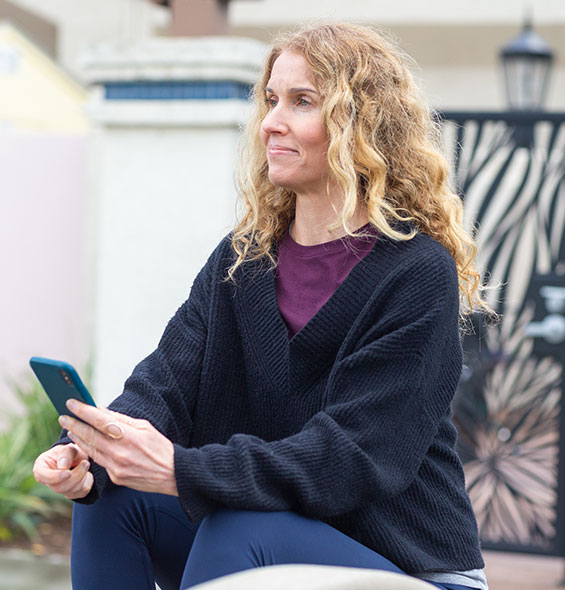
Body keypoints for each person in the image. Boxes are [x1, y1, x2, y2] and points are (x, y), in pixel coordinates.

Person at [33, 23, 490, 590]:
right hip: (271, 540)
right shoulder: (241, 261)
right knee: (115, 497)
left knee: (235, 524)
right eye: (272, 100)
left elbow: (349, 458)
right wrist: (89, 450)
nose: (271, 121)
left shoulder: (416, 274)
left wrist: (183, 470)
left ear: (361, 125)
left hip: (412, 568)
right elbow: (162, 387)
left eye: (302, 102)